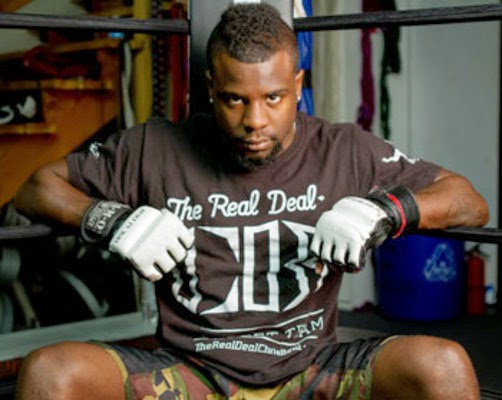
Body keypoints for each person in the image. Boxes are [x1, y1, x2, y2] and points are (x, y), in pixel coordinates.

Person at [13, 3, 488, 400]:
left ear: (298, 85)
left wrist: (384, 212)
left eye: (274, 98)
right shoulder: (153, 148)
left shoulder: (342, 150)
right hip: (191, 370)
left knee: (443, 365)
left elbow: (467, 200)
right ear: (210, 89)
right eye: (235, 100)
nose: (255, 121)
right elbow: (36, 188)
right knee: (50, 372)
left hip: (311, 368)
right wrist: (109, 220)